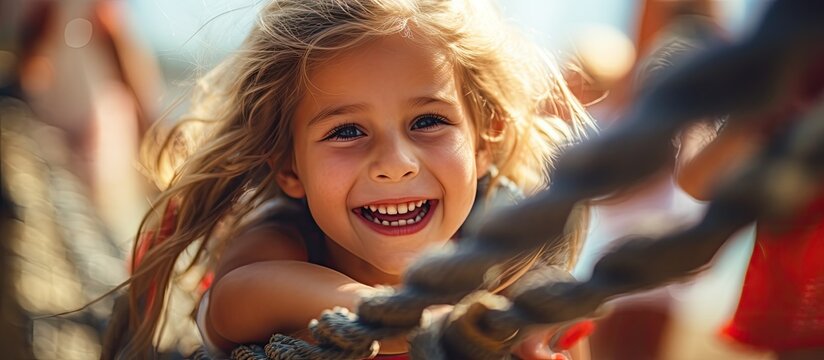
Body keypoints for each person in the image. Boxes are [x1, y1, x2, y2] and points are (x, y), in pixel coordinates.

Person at [113, 0, 596, 358]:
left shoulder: (510, 249)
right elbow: (236, 301)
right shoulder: (281, 240)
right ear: (288, 167)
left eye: (428, 121)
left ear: (483, 141)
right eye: (346, 131)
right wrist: (424, 323)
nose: (395, 162)